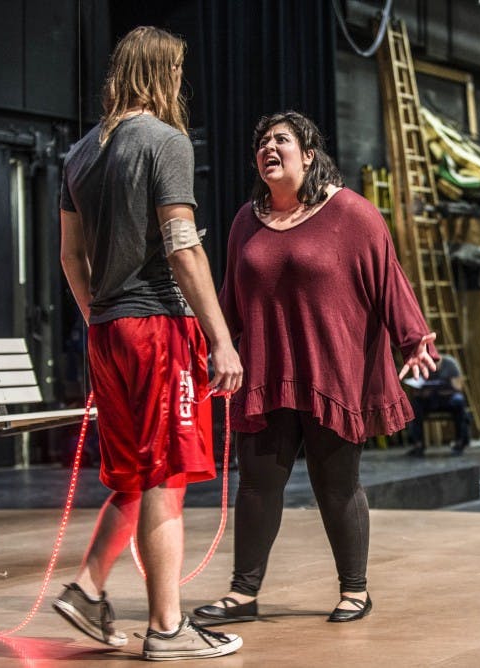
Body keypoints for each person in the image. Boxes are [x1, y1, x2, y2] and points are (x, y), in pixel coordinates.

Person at [194, 111, 437, 626]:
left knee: (337, 484)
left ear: (308, 154)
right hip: (266, 373)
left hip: (332, 372)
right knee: (256, 484)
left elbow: (388, 278)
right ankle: (243, 594)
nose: (268, 148)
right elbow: (230, 298)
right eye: (262, 142)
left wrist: (413, 338)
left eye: (281, 139)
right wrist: (209, 346)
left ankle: (355, 590)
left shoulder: (351, 213)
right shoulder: (245, 221)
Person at [54, 26, 244, 660]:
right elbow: (183, 246)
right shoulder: (166, 141)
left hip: (108, 333)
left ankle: (87, 589)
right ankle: (167, 628)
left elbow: (70, 256)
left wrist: (100, 316)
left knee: (136, 475)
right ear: (163, 74)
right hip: (158, 328)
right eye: (177, 72)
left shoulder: (79, 154)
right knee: (164, 477)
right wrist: (221, 340)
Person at [404, 354, 471, 457]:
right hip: (429, 399)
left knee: (459, 401)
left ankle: (460, 441)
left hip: (448, 398)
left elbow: (458, 386)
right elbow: (417, 388)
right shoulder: (423, 364)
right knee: (415, 405)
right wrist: (423, 392)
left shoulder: (450, 364)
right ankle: (418, 444)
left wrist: (445, 389)